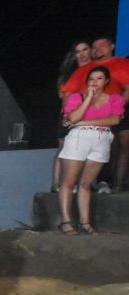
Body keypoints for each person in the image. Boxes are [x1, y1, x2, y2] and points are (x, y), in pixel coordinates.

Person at [57, 67, 124, 235]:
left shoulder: (114, 98)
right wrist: (88, 99)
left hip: (101, 139)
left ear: (106, 81)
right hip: (79, 138)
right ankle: (66, 221)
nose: (94, 82)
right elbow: (73, 118)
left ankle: (85, 222)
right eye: (91, 78)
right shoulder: (77, 97)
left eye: (99, 78)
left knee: (86, 184)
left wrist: (83, 123)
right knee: (69, 181)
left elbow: (114, 120)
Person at [61, 37, 129, 192]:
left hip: (115, 111)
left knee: (117, 146)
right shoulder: (84, 69)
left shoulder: (122, 64)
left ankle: (112, 183)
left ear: (112, 46)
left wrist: (117, 107)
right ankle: (77, 184)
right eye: (94, 46)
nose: (97, 48)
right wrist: (69, 114)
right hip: (85, 113)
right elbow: (68, 93)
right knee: (79, 148)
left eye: (102, 45)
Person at [52, 40, 93, 193]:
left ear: (91, 50)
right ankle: (56, 184)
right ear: (74, 55)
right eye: (78, 51)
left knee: (84, 150)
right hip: (69, 115)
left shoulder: (96, 71)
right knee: (63, 147)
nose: (82, 54)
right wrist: (68, 116)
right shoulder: (69, 74)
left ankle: (76, 184)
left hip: (90, 116)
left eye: (85, 49)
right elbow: (64, 97)